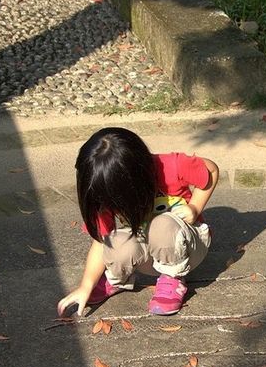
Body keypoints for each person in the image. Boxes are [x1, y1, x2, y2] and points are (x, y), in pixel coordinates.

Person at [56, 128, 218, 317]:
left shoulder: (170, 166)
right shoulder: (106, 190)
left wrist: (195, 207)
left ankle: (173, 278)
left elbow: (211, 169)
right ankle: (116, 278)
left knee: (162, 225)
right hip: (147, 250)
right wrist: (85, 285)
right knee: (115, 240)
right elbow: (102, 242)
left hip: (186, 248)